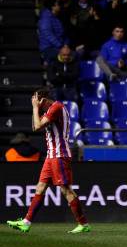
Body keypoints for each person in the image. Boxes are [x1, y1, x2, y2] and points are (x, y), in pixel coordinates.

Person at [7, 89, 89, 233]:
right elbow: (35, 127)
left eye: (37, 100)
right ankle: (26, 222)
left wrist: (34, 108)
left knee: (66, 189)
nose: (35, 103)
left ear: (44, 100)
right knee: (40, 187)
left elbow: (38, 126)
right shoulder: (49, 110)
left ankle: (83, 224)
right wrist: (36, 109)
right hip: (51, 156)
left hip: (59, 155)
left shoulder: (56, 108)